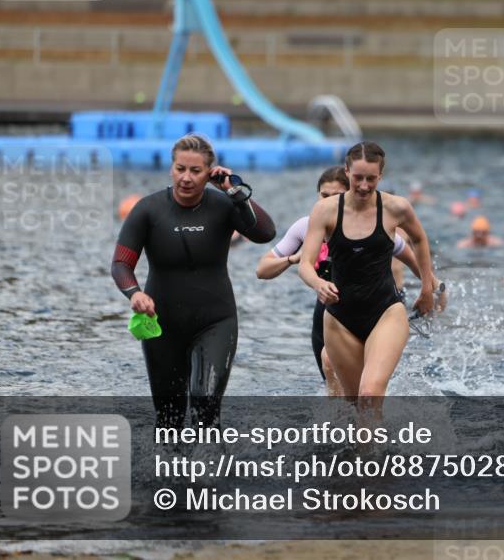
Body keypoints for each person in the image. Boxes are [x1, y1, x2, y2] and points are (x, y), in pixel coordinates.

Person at [111, 134, 276, 428]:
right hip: (162, 325)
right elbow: (121, 264)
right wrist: (134, 294)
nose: (186, 178)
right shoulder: (148, 210)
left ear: (210, 172)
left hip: (215, 321)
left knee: (205, 402)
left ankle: (209, 471)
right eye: (180, 169)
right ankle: (171, 473)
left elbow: (265, 233)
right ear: (171, 168)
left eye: (195, 171)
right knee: (169, 417)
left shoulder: (224, 205)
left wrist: (234, 191)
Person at [256, 166, 432, 397]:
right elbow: (262, 269)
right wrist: (294, 258)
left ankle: (372, 426)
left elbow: (414, 260)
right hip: (332, 314)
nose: (329, 201)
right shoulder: (306, 227)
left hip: (376, 307)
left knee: (368, 391)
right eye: (323, 195)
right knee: (336, 387)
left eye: (335, 196)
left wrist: (433, 288)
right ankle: (339, 430)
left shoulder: (370, 226)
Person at [298, 142, 437, 404]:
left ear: (380, 176)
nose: (363, 185)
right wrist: (317, 283)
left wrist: (427, 287)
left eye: (371, 179)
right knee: (353, 405)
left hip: (385, 311)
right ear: (347, 171)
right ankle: (361, 446)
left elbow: (419, 240)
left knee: (370, 395)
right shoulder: (325, 210)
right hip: (339, 318)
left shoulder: (396, 207)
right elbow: (305, 265)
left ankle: (375, 446)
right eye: (358, 178)